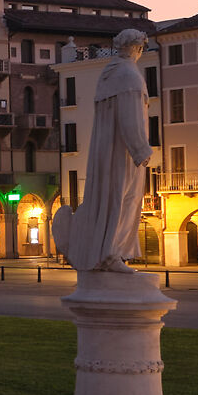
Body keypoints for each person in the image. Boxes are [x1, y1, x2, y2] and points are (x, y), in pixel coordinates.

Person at [58, 28, 155, 272]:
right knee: (125, 199)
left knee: (110, 198)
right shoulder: (129, 75)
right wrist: (141, 150)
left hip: (106, 151)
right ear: (137, 49)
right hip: (124, 154)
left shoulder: (108, 74)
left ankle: (105, 252)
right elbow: (130, 116)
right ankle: (112, 254)